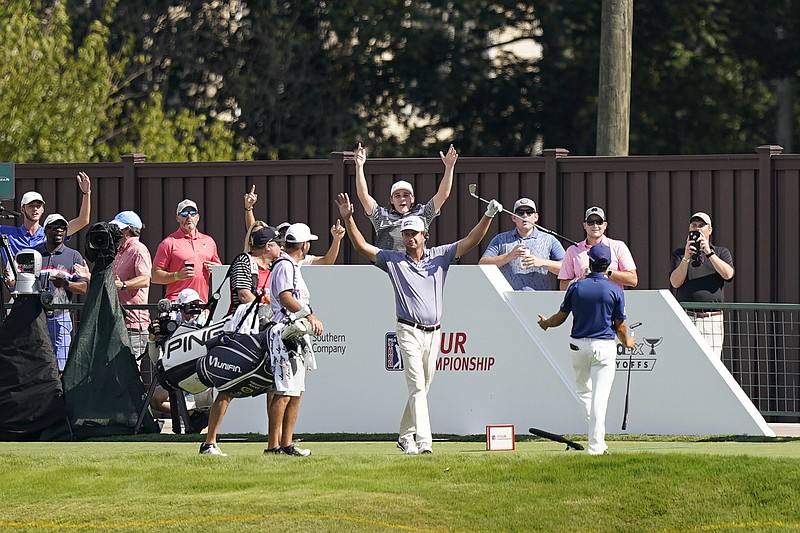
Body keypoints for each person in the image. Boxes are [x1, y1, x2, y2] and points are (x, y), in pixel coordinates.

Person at [336, 192, 501, 455]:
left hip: (434, 333)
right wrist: (349, 219)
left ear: (425, 234)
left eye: (414, 233)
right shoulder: (393, 260)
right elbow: (362, 247)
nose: (410, 238)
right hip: (407, 330)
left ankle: (405, 435)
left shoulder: (441, 255)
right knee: (416, 385)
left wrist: (488, 215)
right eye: (406, 234)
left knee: (423, 386)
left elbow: (471, 241)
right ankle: (424, 442)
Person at [537, 243, 636, 455]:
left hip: (578, 346)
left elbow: (560, 317)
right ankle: (595, 447)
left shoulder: (575, 287)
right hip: (604, 347)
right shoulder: (614, 289)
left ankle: (598, 442)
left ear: (590, 262)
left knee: (584, 392)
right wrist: (627, 341)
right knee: (600, 398)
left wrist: (546, 324)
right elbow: (620, 325)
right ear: (607, 265)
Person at [199, 225, 283, 456]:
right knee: (227, 387)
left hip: (269, 332)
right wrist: (273, 306)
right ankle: (209, 442)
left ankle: (273, 444)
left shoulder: (277, 266)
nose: (281, 247)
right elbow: (244, 294)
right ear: (268, 246)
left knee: (275, 387)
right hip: (242, 332)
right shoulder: (244, 261)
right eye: (277, 243)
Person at [264, 222, 325, 457]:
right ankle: (273, 446)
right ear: (305, 245)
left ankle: (287, 444)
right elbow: (285, 297)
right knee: (284, 390)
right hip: (284, 334)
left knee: (296, 391)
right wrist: (309, 314)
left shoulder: (291, 265)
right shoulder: (285, 266)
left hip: (296, 334)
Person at [353, 143, 457, 250]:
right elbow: (363, 196)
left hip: (416, 265)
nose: (402, 199)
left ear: (412, 199)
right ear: (391, 200)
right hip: (387, 265)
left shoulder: (423, 214)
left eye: (406, 195)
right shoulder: (381, 216)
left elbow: (443, 195)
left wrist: (449, 168)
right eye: (397, 196)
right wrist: (359, 167)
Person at [669, 212, 735, 358]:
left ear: (709, 230)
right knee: (686, 360)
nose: (697, 229)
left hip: (712, 319)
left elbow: (728, 274)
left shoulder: (721, 252)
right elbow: (675, 282)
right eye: (694, 225)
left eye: (701, 225)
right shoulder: (679, 254)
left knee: (712, 363)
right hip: (688, 317)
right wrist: (686, 257)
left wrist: (709, 253)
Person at [35, 214, 88, 372]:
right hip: (37, 316)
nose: (59, 230)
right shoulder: (35, 254)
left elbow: (84, 288)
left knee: (60, 362)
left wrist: (66, 284)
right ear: (45, 230)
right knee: (38, 358)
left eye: (62, 228)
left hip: (61, 316)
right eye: (54, 227)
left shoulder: (73, 256)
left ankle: (58, 394)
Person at [243, 186, 346, 265]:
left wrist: (337, 240)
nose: (284, 237)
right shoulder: (272, 256)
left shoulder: (300, 258)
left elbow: (326, 262)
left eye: (288, 234)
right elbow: (257, 233)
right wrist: (249, 209)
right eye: (281, 234)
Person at [479, 197, 565, 290]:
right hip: (508, 299)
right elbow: (482, 265)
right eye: (520, 213)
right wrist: (508, 256)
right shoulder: (501, 239)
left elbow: (566, 267)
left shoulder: (549, 239)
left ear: (536, 217)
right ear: (513, 217)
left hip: (541, 299)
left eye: (529, 212)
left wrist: (542, 262)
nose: (525, 216)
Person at [0, 172, 92, 258]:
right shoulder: (8, 233)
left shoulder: (50, 232)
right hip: (15, 275)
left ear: (43, 209)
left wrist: (86, 193)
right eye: (31, 206)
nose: (35, 209)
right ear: (22, 209)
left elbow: (83, 221)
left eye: (38, 206)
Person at [152, 199, 221, 302]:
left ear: (198, 217)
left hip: (201, 304)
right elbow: (154, 276)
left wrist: (216, 269)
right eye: (184, 213)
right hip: (177, 304)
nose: (189, 217)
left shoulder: (209, 241)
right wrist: (177, 275)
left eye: (193, 213)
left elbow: (221, 271)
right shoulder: (169, 243)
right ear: (178, 218)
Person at [558, 206, 638, 290]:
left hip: (610, 300)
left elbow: (633, 280)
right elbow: (563, 286)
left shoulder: (618, 247)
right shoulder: (572, 250)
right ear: (584, 225)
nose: (595, 225)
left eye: (599, 222)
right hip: (582, 301)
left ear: (605, 225)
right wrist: (580, 280)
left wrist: (606, 272)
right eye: (590, 222)